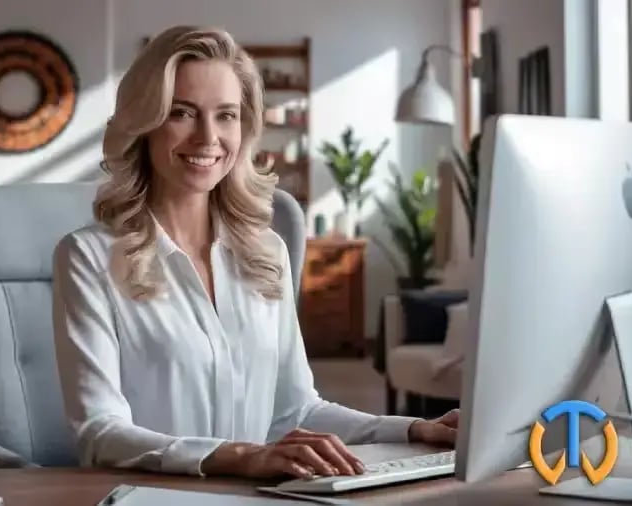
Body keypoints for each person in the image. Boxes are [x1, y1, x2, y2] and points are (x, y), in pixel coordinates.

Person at [51, 25, 458, 481]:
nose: (208, 138)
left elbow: (295, 410)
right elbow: (99, 432)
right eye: (182, 113)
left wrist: (414, 429)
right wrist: (242, 457)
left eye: (226, 115)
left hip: (256, 496)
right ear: (144, 124)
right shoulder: (87, 257)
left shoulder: (267, 252)